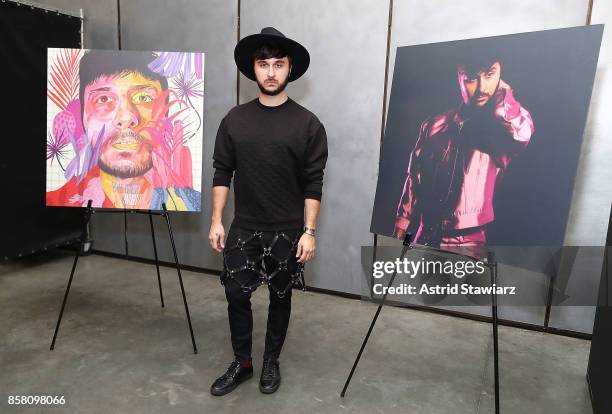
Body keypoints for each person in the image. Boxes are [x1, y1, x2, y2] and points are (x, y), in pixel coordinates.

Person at [209, 27, 328, 396]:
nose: (271, 72)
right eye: (264, 64)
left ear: (290, 69)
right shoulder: (234, 120)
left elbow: (313, 181)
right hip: (244, 226)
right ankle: (243, 362)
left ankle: (270, 361)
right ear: (253, 69)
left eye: (278, 64)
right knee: (235, 295)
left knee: (281, 297)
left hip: (288, 231)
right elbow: (221, 172)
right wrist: (216, 220)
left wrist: (309, 231)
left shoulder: (308, 124)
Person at [394, 55, 534, 247]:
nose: (482, 88)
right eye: (471, 78)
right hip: (425, 234)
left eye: (490, 75)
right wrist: (401, 225)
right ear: (459, 77)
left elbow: (520, 134)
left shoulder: (503, 128)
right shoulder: (433, 125)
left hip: (468, 242)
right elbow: (414, 178)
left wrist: (504, 90)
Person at [46, 50, 201, 210]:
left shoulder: (189, 202)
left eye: (143, 98)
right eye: (103, 99)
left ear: (166, 113)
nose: (126, 118)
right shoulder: (55, 200)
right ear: (82, 114)